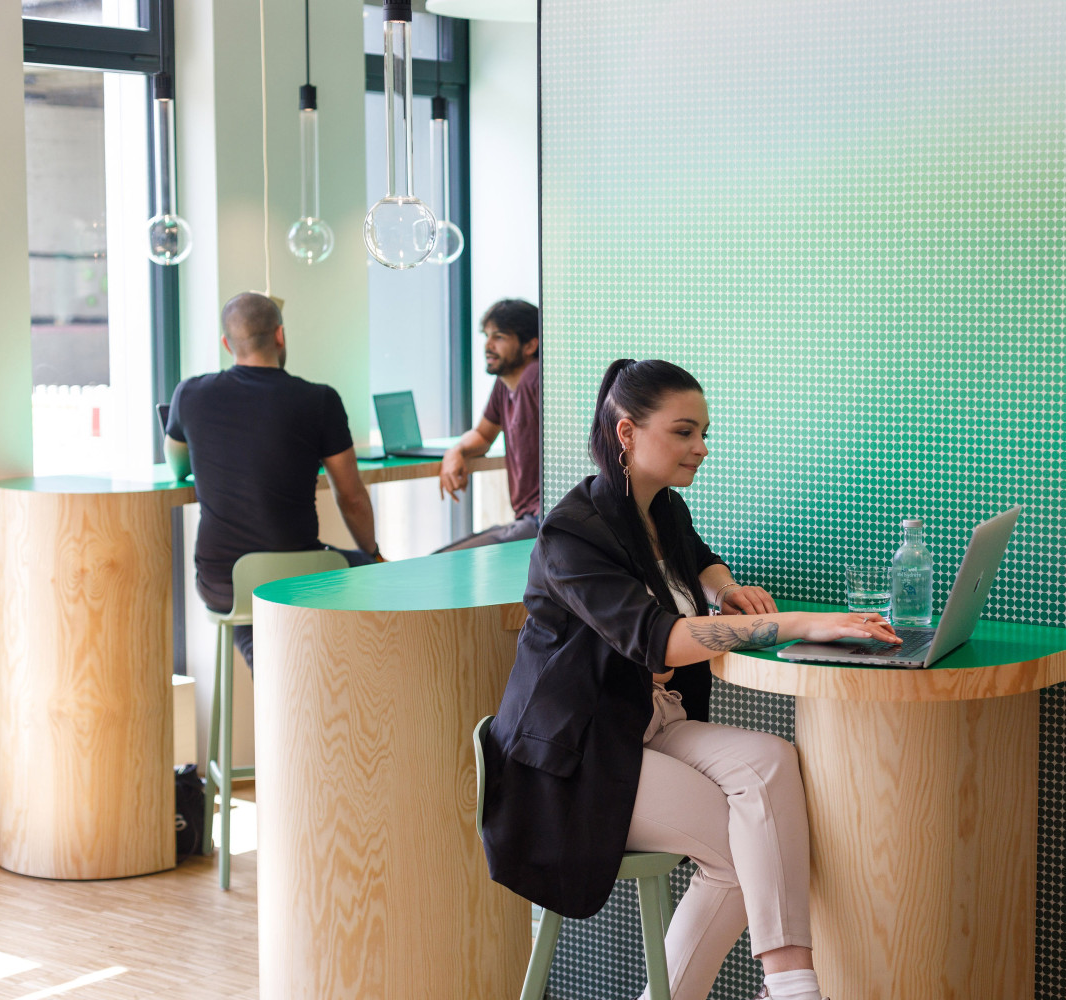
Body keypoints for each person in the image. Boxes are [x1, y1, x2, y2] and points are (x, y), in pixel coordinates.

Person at [478, 359, 901, 1000]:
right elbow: (662, 639)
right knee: (740, 847)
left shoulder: (661, 508)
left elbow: (697, 557)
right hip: (575, 756)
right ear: (627, 433)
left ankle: (788, 986)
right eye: (684, 432)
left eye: (703, 432)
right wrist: (798, 623)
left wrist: (724, 587)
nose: (701, 447)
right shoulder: (571, 534)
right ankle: (792, 986)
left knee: (771, 760)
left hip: (645, 721)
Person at [163, 291, 382, 669]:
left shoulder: (190, 394)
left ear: (227, 344)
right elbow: (352, 497)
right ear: (280, 335)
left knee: (254, 598)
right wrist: (373, 552)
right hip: (298, 575)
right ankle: (321, 683)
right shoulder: (320, 400)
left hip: (223, 581)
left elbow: (177, 466)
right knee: (369, 572)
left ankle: (272, 677)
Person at [436, 299, 541, 550]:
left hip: (546, 521)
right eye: (487, 336)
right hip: (529, 519)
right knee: (443, 558)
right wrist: (456, 451)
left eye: (499, 337)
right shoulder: (505, 384)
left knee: (443, 561)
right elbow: (483, 435)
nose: (488, 345)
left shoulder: (535, 377)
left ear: (530, 345)